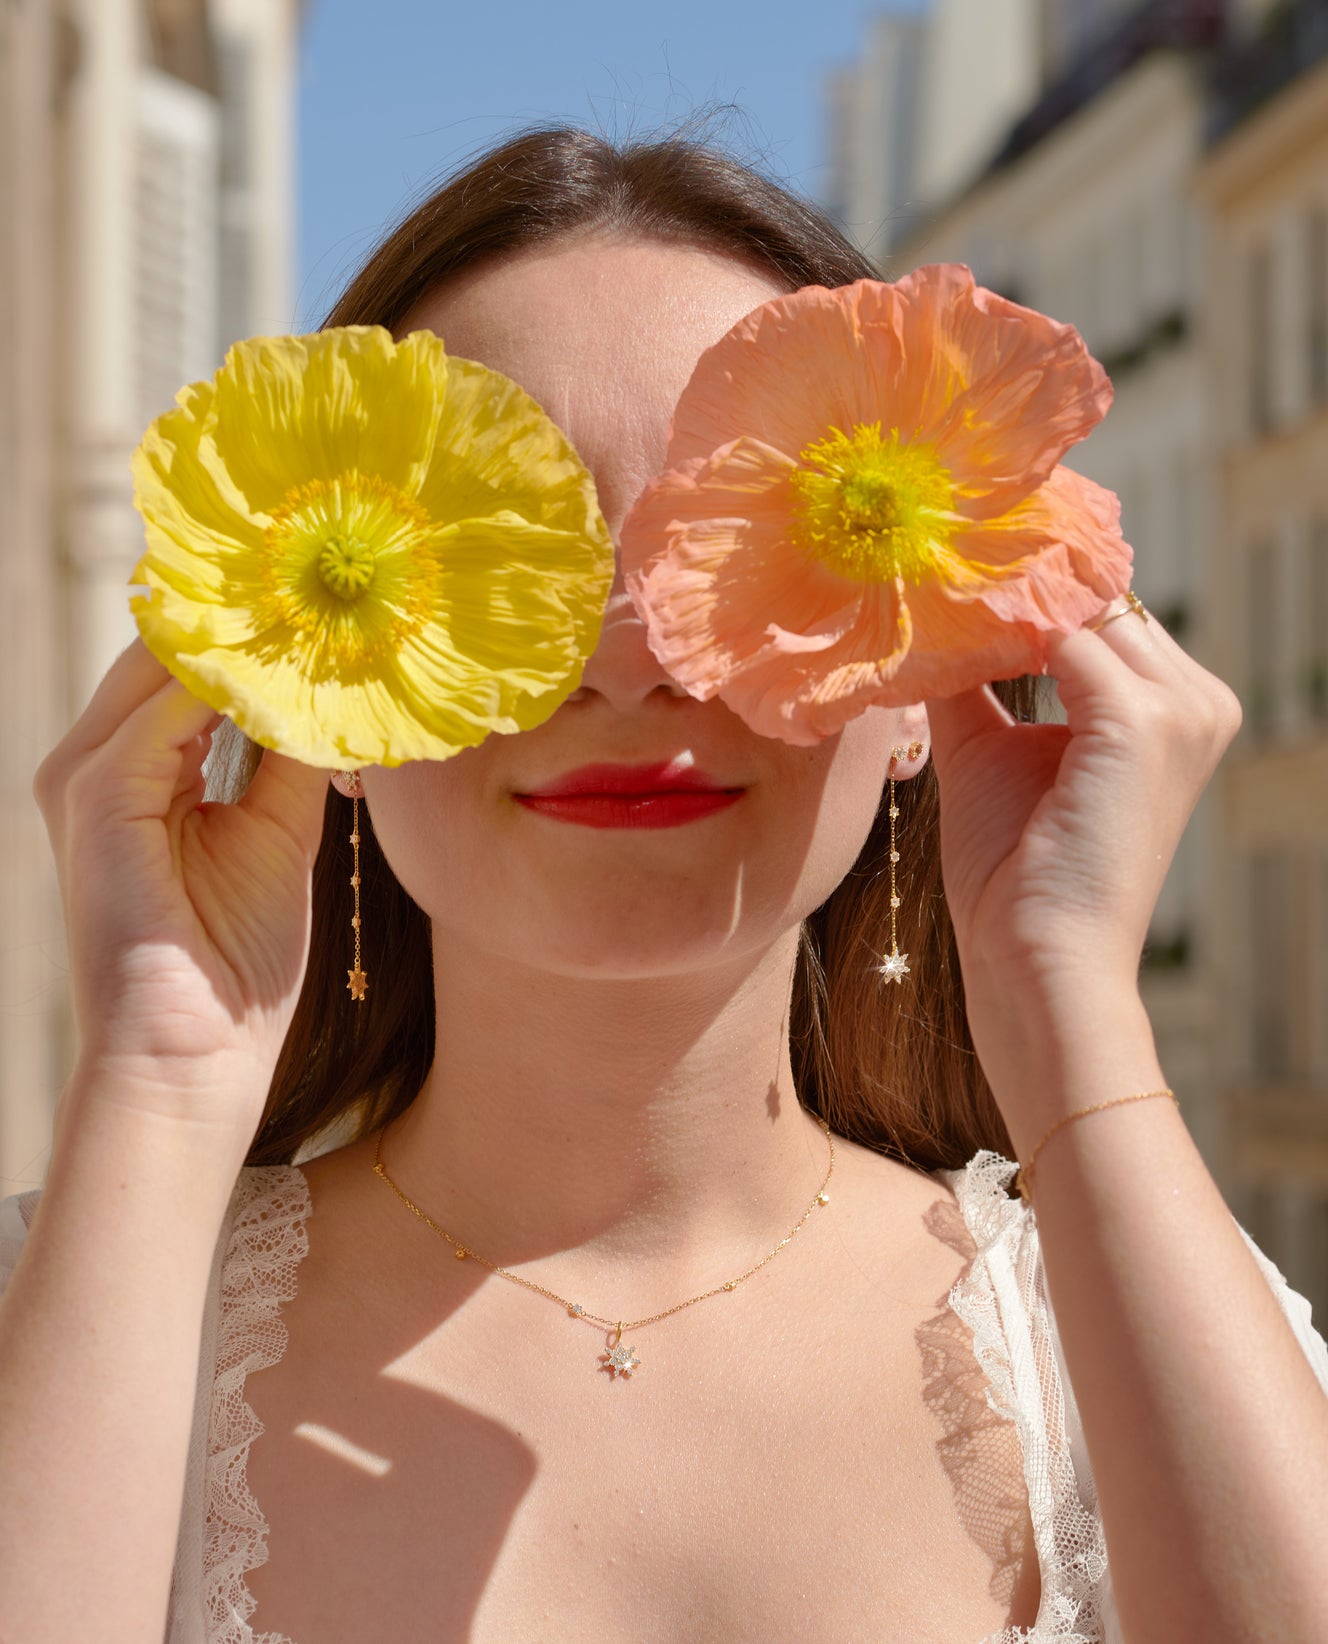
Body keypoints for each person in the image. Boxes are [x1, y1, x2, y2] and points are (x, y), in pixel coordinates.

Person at [1, 125, 1325, 1644]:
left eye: (745, 539)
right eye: (511, 549)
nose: (627, 663)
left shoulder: (1148, 1336)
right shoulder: (70, 1311)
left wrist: (1068, 1012)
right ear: (324, 692)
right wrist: (160, 1079)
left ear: (926, 678)